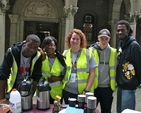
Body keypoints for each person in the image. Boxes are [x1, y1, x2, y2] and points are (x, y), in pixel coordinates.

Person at [0, 34, 42, 100]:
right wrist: (1, 97)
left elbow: (36, 76)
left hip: (27, 87)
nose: (32, 50)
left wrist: (30, 96)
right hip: (13, 88)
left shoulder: (38, 56)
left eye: (35, 48)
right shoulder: (12, 52)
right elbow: (3, 74)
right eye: (30, 46)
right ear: (25, 43)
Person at [62, 28, 97, 104]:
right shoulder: (65, 53)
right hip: (67, 90)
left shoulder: (88, 54)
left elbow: (93, 73)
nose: (75, 41)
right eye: (73, 38)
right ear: (69, 40)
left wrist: (87, 90)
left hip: (82, 92)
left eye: (77, 39)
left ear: (81, 41)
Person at [89, 29, 117, 113]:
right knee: (90, 110)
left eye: (106, 38)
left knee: (106, 111)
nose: (104, 40)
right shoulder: (91, 51)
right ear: (98, 38)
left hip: (107, 88)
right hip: (94, 87)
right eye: (102, 38)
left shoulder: (114, 52)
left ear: (109, 39)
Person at [116, 20, 141, 113]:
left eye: (122, 30)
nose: (120, 32)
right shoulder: (121, 44)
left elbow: (139, 66)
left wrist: (135, 82)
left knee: (127, 111)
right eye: (118, 30)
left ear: (128, 30)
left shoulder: (134, 46)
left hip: (129, 87)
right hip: (121, 85)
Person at [41, 36, 66, 104]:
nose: (49, 47)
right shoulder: (40, 58)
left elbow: (65, 74)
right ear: (44, 46)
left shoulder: (61, 59)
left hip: (57, 91)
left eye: (52, 45)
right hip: (43, 90)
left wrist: (57, 78)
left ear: (55, 47)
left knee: (56, 109)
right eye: (47, 45)